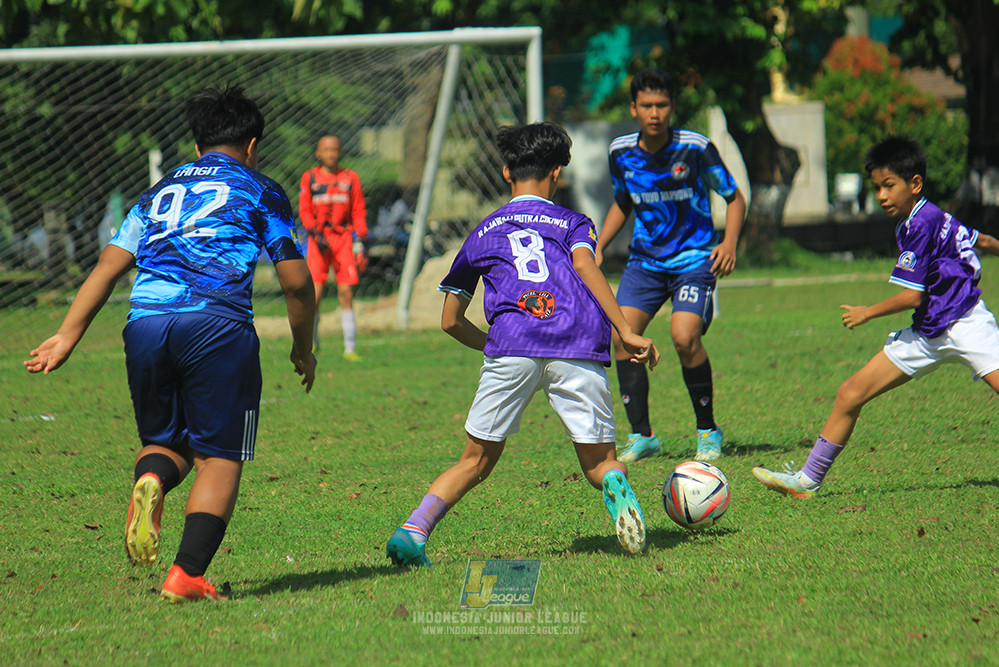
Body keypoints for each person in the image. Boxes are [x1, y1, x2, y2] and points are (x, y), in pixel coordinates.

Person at [24, 85, 317, 602]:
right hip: (215, 324)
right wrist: (302, 346)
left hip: (144, 325)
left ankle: (153, 480)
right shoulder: (260, 188)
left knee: (167, 441)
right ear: (252, 146)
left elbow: (109, 266)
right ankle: (187, 574)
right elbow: (295, 282)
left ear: (197, 144)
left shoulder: (158, 191)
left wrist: (66, 335)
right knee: (220, 456)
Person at [385, 122, 660, 568]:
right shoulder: (573, 223)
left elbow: (449, 321)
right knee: (600, 462)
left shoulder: (483, 231)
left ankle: (413, 532)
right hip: (576, 345)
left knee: (475, 461)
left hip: (512, 344)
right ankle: (614, 482)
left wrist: (496, 343)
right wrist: (625, 330)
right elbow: (586, 266)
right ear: (557, 174)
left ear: (507, 173)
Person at [753, 135, 999, 498]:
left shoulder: (919, 224)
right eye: (877, 188)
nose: (882, 196)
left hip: (966, 323)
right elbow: (985, 241)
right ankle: (807, 482)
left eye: (889, 186)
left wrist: (868, 312)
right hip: (929, 333)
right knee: (850, 393)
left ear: (914, 184)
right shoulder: (935, 215)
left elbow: (912, 296)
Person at [595, 68, 746, 463]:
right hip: (645, 262)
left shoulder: (695, 148)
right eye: (647, 105)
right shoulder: (621, 152)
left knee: (683, 336)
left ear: (672, 107)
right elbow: (623, 202)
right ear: (634, 108)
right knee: (623, 339)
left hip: (695, 260)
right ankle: (643, 436)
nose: (655, 112)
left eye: (662, 104)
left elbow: (734, 197)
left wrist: (728, 243)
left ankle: (708, 431)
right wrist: (598, 246)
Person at [299, 135, 368, 361]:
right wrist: (313, 232)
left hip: (343, 239)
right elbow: (305, 210)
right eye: (326, 150)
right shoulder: (309, 178)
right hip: (318, 240)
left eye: (335, 150)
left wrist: (361, 240)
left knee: (346, 293)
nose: (331, 154)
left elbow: (358, 210)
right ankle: (314, 342)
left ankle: (350, 348)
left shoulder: (350, 178)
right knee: (315, 294)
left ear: (340, 153)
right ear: (318, 153)